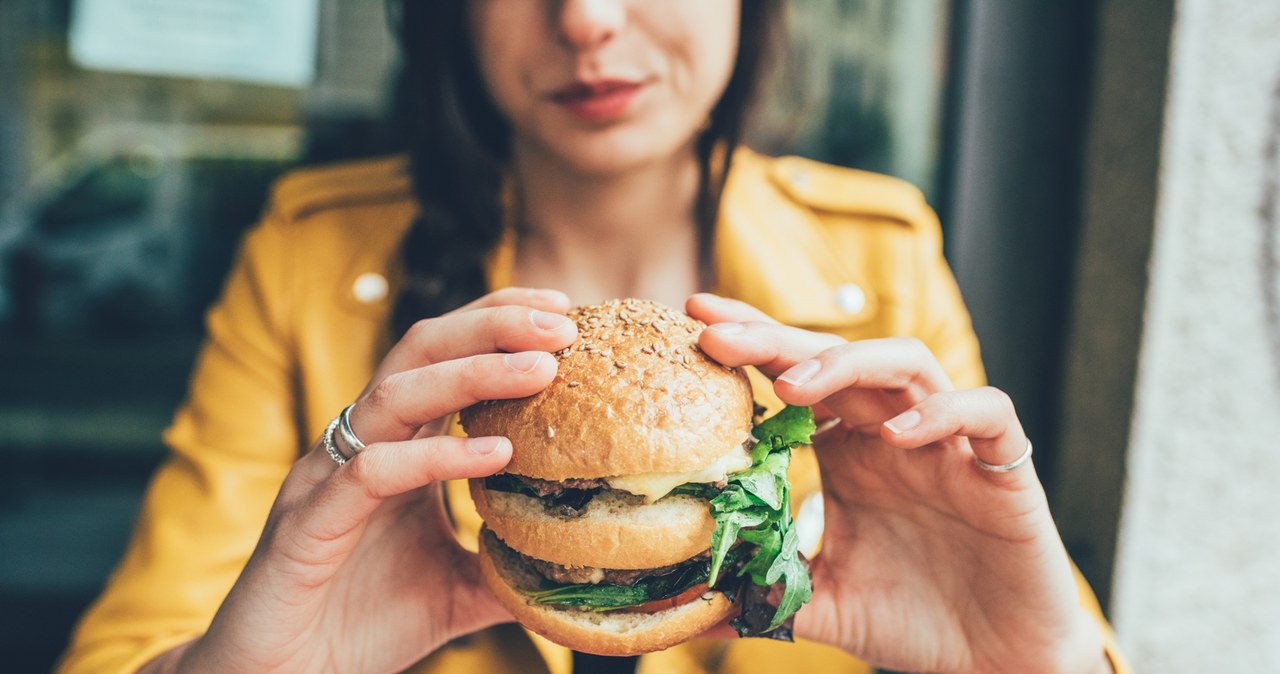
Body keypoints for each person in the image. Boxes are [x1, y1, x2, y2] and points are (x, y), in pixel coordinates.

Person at [59, 1, 1130, 673]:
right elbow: (122, 646)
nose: (584, 19)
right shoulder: (304, 253)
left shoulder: (882, 257)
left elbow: (1035, 632)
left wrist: (1033, 663)